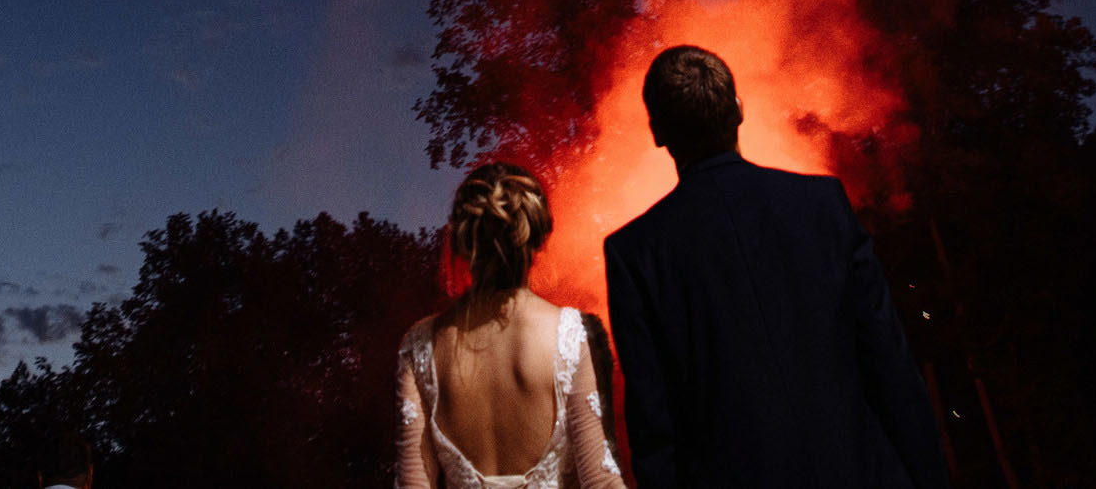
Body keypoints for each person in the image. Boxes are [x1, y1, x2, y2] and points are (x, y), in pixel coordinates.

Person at [604, 46, 949, 489]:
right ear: (739, 111)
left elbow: (655, 428)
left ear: (657, 132)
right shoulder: (824, 206)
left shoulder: (635, 252)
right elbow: (891, 366)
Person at [398, 162, 628, 489]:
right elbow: (600, 481)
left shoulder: (421, 345)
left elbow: (413, 484)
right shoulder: (572, 336)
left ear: (464, 242)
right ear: (534, 238)